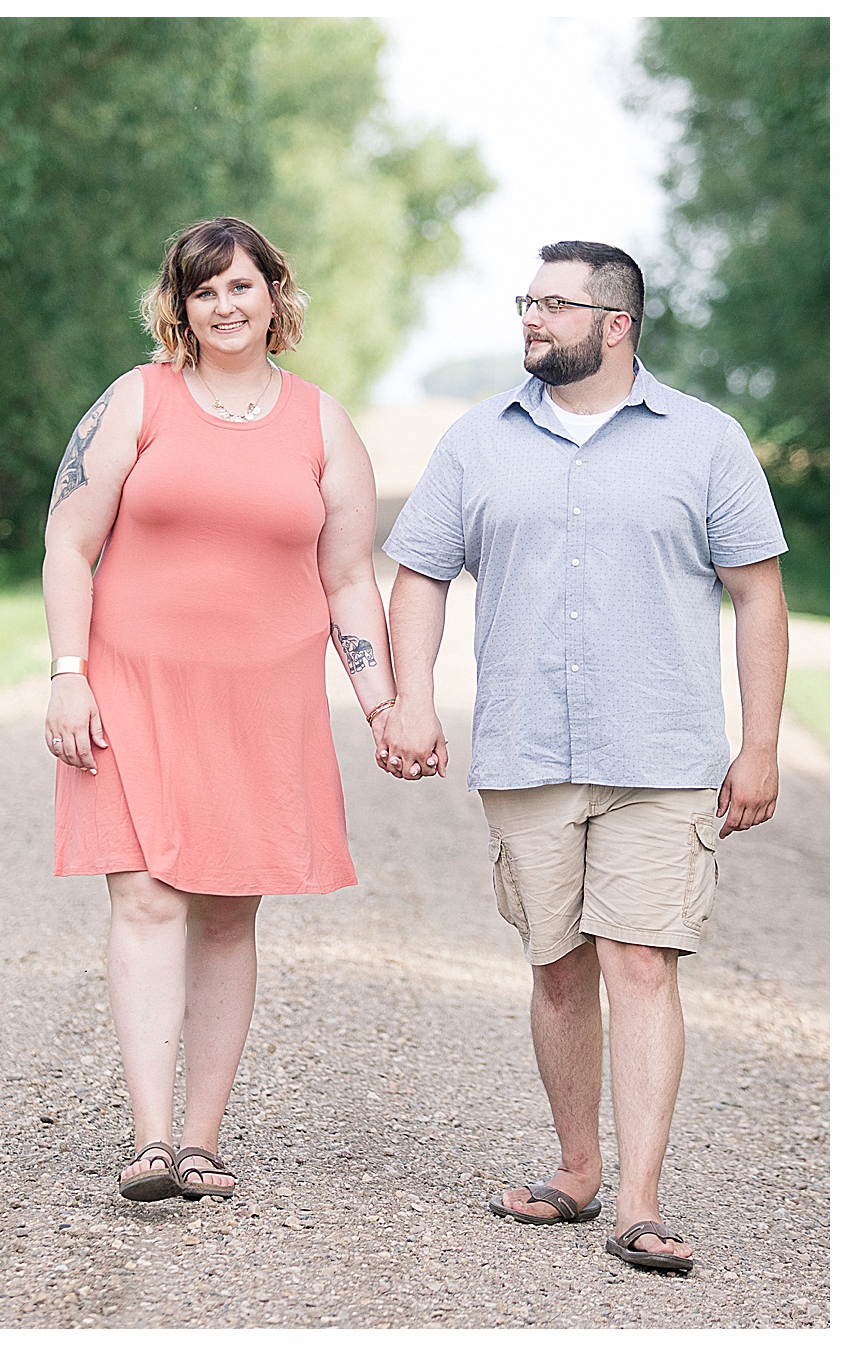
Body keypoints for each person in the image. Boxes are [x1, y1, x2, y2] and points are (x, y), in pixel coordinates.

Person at [381, 241, 789, 1273]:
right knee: (558, 967)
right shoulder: (476, 440)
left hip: (662, 751)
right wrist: (413, 699)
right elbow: (421, 574)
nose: (531, 318)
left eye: (555, 304)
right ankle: (575, 1169)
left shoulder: (704, 440)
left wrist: (762, 745)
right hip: (526, 749)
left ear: (617, 324)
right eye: (528, 300)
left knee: (640, 958)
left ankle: (640, 1202)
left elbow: (758, 595)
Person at [44, 217, 399, 1203]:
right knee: (147, 895)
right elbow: (68, 541)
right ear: (180, 306)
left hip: (260, 699)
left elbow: (348, 580)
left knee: (228, 913)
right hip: (131, 685)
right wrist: (66, 669)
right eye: (205, 291)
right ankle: (151, 1136)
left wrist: (382, 703)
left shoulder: (321, 422)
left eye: (242, 285)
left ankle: (203, 1137)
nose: (225, 304)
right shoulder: (137, 399)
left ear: (276, 295)